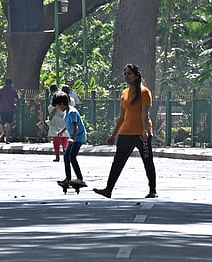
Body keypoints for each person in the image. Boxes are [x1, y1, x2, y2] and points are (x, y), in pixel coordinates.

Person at [93, 64, 157, 199]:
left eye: (129, 74)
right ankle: (108, 189)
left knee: (147, 161)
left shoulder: (145, 92)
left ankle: (152, 190)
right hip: (126, 133)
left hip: (142, 134)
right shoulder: (124, 93)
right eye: (125, 74)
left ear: (136, 75)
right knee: (118, 161)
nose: (126, 76)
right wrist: (114, 135)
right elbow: (122, 117)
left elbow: (144, 113)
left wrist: (145, 130)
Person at [52, 91, 87, 188]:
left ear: (62, 104)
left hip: (78, 137)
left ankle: (80, 179)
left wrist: (72, 138)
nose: (57, 108)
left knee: (72, 157)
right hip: (73, 138)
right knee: (66, 156)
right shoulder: (66, 112)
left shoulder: (72, 112)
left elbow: (75, 127)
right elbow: (68, 125)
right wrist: (62, 131)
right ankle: (68, 178)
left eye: (57, 106)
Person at [47, 85, 67, 161]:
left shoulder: (53, 96)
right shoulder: (69, 98)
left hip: (55, 118)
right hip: (65, 118)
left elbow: (51, 107)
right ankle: (65, 149)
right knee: (65, 135)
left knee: (56, 138)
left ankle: (57, 155)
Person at [0, 78, 17, 144]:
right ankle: (7, 139)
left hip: (2, 109)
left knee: (1, 123)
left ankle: (3, 132)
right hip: (10, 109)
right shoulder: (13, 91)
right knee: (9, 124)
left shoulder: (1, 91)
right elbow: (16, 100)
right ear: (11, 84)